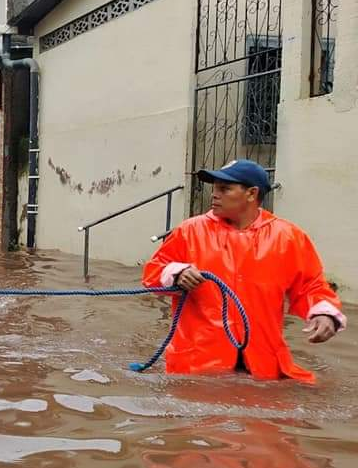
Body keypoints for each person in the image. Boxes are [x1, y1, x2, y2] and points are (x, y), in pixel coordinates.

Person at [143, 159, 346, 384]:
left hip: (263, 365)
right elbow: (152, 273)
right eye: (215, 188)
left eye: (225, 188)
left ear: (251, 193)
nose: (214, 195)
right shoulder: (190, 230)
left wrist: (324, 313)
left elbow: (311, 285)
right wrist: (176, 273)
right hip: (196, 365)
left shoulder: (288, 237)